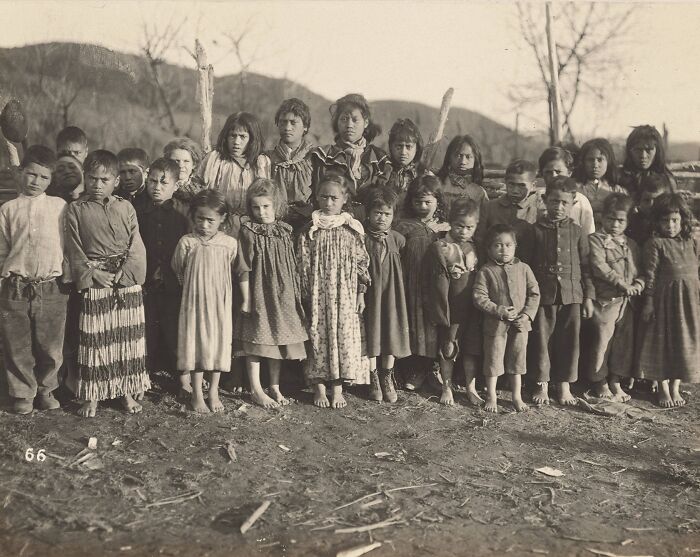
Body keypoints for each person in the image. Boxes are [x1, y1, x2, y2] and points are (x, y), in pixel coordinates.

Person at [65, 150, 149, 418]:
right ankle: (93, 395)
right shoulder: (75, 210)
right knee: (96, 340)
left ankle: (125, 390)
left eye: (104, 179)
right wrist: (94, 275)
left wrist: (124, 275)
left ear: (115, 181)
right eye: (92, 178)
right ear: (84, 178)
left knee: (125, 339)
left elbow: (136, 244)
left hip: (126, 282)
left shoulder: (125, 207)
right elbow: (74, 249)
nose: (97, 184)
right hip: (96, 280)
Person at [0, 145, 68, 414]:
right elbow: (2, 249)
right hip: (16, 286)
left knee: (50, 344)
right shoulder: (8, 208)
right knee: (18, 344)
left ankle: (46, 389)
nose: (36, 181)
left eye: (43, 177)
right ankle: (22, 393)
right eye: (31, 174)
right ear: (21, 172)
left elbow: (68, 245)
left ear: (51, 180)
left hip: (50, 287)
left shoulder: (59, 207)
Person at [297, 173, 370, 409]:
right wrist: (305, 295)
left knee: (342, 335)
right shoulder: (310, 231)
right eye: (324, 197)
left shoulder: (352, 229)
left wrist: (360, 292)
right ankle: (319, 386)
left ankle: (337, 388)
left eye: (334, 198)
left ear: (344, 199)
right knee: (318, 335)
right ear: (317, 198)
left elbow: (362, 263)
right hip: (318, 294)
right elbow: (303, 264)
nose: (328, 203)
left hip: (345, 294)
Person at [235, 178, 308, 408]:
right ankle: (256, 388)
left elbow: (291, 265)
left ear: (276, 205)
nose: (261, 212)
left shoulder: (285, 231)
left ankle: (274, 385)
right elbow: (243, 267)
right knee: (256, 339)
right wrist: (246, 299)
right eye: (256, 207)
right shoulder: (248, 232)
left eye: (266, 206)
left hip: (283, 293)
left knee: (277, 338)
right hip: (258, 292)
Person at [529, 176, 594, 406]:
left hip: (572, 294)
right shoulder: (535, 230)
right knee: (542, 338)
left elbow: (586, 266)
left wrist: (588, 297)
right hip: (543, 294)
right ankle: (542, 382)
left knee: (569, 340)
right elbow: (526, 265)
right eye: (554, 201)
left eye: (564, 202)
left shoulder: (577, 232)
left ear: (573, 202)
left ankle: (564, 384)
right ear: (545, 200)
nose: (558, 207)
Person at [171, 190, 238, 413]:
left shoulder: (229, 244)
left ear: (222, 219)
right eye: (200, 218)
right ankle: (197, 394)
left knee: (217, 344)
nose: (205, 225)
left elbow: (231, 268)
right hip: (194, 303)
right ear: (193, 217)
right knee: (196, 345)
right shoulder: (187, 242)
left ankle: (214, 392)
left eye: (211, 220)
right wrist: (192, 288)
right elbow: (178, 269)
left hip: (219, 304)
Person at [637, 193, 699, 407]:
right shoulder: (655, 243)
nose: (670, 225)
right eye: (665, 220)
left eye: (675, 220)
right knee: (662, 343)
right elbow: (650, 276)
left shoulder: (690, 242)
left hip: (689, 303)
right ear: (657, 222)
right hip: (665, 303)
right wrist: (649, 302)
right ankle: (662, 388)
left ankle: (675, 387)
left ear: (683, 220)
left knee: (684, 342)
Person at [473, 224, 540, 413]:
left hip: (520, 326)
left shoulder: (524, 268)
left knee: (517, 361)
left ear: (516, 246)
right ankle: (492, 396)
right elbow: (479, 296)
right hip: (495, 326)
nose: (504, 249)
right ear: (489, 249)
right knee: (493, 361)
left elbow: (534, 293)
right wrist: (499, 310)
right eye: (498, 245)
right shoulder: (486, 271)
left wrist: (526, 315)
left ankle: (516, 396)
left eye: (508, 245)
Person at [582, 194, 643, 401]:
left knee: (622, 343)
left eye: (620, 221)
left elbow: (641, 271)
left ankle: (616, 380)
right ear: (603, 218)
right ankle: (599, 380)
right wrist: (621, 283)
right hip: (605, 302)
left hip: (627, 304)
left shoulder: (632, 244)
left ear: (627, 222)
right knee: (602, 342)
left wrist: (637, 284)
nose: (615, 225)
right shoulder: (596, 240)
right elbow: (600, 267)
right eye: (610, 219)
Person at [139, 158, 191, 397]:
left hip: (174, 284)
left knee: (175, 331)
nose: (156, 187)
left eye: (163, 182)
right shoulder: (139, 211)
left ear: (176, 185)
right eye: (152, 181)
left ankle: (183, 379)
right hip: (147, 283)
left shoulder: (182, 214)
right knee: (146, 330)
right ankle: (142, 376)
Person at [424, 198, 482, 406]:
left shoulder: (476, 246)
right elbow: (434, 282)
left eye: (469, 227)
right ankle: (447, 385)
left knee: (471, 349)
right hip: (451, 307)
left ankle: (470, 387)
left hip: (473, 307)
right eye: (459, 226)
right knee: (448, 348)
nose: (464, 232)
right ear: (450, 222)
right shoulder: (442, 246)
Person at [394, 175, 449, 391]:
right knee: (413, 324)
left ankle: (432, 369)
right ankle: (412, 369)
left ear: (438, 201)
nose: (423, 206)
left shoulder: (445, 227)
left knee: (434, 324)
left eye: (428, 202)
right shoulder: (403, 226)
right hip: (411, 282)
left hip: (436, 285)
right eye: (418, 202)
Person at [363, 188, 410, 403]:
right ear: (369, 214)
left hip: (391, 293)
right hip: (371, 292)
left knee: (390, 329)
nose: (382, 218)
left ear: (394, 215)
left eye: (387, 214)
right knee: (372, 329)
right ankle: (372, 374)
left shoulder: (398, 240)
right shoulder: (361, 237)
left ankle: (387, 375)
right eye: (377, 213)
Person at [310, 94, 387, 219]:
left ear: (366, 122)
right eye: (344, 119)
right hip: (333, 223)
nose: (349, 125)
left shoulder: (380, 159)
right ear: (337, 122)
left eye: (355, 120)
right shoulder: (324, 156)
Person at [199, 112, 271, 237]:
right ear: (226, 137)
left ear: (252, 139)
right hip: (220, 225)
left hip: (251, 227)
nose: (236, 142)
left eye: (243, 137)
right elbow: (201, 189)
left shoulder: (260, 163)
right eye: (233, 136)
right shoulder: (216, 160)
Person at [476, 159, 543, 264]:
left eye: (521, 185)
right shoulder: (489, 208)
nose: (515, 190)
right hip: (492, 270)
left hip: (526, 272)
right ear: (505, 182)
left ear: (533, 185)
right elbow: (479, 241)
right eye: (511, 184)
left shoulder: (536, 212)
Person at [266, 98, 315, 231]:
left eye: (293, 122)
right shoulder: (267, 159)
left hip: (307, 223)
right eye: (283, 122)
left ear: (305, 126)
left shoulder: (314, 158)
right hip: (275, 222)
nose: (287, 128)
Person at [374, 118, 429, 219]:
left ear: (417, 148)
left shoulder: (423, 174)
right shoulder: (384, 170)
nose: (403, 152)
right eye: (399, 146)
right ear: (391, 147)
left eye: (408, 147)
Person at [538, 146, 595, 235]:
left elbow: (588, 234)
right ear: (542, 173)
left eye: (558, 172)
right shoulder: (535, 199)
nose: (553, 176)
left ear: (569, 173)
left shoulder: (581, 201)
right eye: (548, 172)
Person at [572, 138, 627, 228]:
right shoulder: (575, 187)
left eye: (600, 160)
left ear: (608, 162)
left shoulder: (617, 190)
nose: (595, 165)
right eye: (590, 160)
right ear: (583, 162)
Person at [435, 135, 488, 218]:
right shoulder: (438, 185)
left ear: (475, 159)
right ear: (449, 157)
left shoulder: (479, 192)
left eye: (468, 157)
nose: (463, 162)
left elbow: (484, 221)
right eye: (458, 155)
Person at [619, 125, 677, 198]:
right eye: (638, 150)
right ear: (630, 151)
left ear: (657, 151)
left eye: (649, 150)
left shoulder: (667, 180)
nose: (643, 156)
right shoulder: (619, 177)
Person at [163, 137, 206, 207]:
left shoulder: (201, 192)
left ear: (194, 164)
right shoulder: (158, 184)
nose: (180, 165)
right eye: (176, 161)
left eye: (186, 161)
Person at [626, 174, 667, 247]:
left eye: (657, 200)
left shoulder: (667, 221)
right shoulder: (632, 222)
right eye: (646, 200)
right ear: (639, 201)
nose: (651, 205)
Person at [116, 147, 150, 215]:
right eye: (122, 172)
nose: (127, 177)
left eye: (132, 171)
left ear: (146, 173)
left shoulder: (153, 198)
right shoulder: (114, 196)